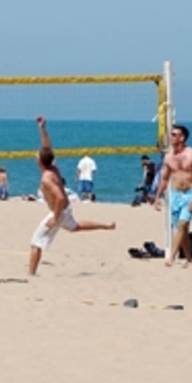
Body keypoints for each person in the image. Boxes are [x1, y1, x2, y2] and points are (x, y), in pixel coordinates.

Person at [28, 117, 115, 276]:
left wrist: (55, 217)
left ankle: (31, 275)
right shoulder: (53, 167)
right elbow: (47, 147)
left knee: (36, 242)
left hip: (59, 211)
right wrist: (42, 129)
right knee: (75, 227)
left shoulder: (46, 178)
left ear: (40, 161)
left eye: (36, 155)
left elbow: (60, 198)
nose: (35, 156)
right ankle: (105, 226)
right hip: (65, 209)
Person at [154, 124, 192, 268]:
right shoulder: (168, 157)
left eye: (174, 135)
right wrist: (157, 197)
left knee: (182, 225)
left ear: (182, 138)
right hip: (175, 194)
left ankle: (172, 256)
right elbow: (164, 179)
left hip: (190, 193)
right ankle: (189, 259)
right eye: (170, 134)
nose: (170, 137)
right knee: (182, 229)